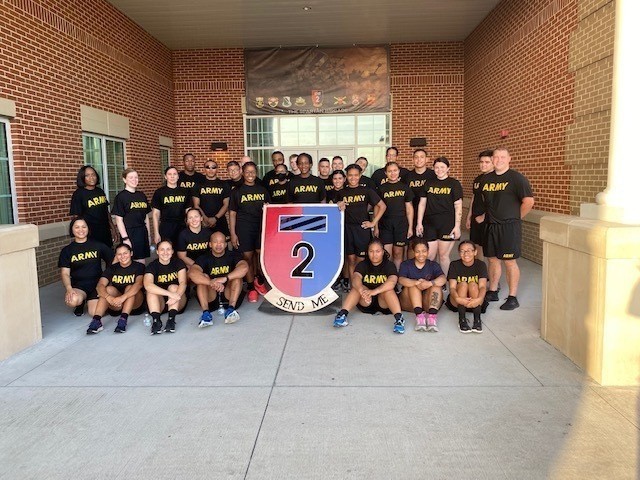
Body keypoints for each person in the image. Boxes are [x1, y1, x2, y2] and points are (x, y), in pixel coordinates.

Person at [476, 147, 534, 310]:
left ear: (509, 159)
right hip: (491, 227)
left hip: (509, 228)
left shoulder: (516, 178)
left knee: (509, 261)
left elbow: (528, 202)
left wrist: (514, 219)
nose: (499, 160)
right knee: (493, 259)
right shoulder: (486, 180)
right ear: (492, 159)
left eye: (502, 157)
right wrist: (484, 217)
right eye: (496, 157)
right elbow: (487, 203)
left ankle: (512, 297)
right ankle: (493, 290)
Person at [333, 238, 406, 334]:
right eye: (371, 251)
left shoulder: (389, 265)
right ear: (367, 252)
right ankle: (342, 315)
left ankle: (399, 319)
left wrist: (374, 292)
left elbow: (392, 282)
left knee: (388, 289)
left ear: (383, 252)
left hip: (384, 302)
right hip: (366, 301)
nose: (374, 254)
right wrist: (361, 290)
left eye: (377, 251)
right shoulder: (363, 264)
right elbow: (355, 278)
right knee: (357, 287)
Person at [334, 164, 386, 288]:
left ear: (360, 176)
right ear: (346, 176)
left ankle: (362, 286)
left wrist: (373, 223)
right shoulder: (341, 192)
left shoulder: (367, 191)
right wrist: (338, 205)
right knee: (350, 260)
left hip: (362, 230)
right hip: (347, 229)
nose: (353, 178)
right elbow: (334, 210)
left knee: (361, 260)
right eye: (350, 175)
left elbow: (382, 206)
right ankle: (354, 288)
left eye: (356, 175)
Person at [229, 161, 270, 302]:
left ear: (256, 173)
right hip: (244, 228)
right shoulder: (237, 191)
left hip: (260, 228)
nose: (250, 174)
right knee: (247, 258)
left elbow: (269, 210)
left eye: (253, 171)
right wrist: (233, 234)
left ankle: (259, 280)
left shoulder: (263, 190)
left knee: (260, 256)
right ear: (242, 173)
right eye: (247, 172)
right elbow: (232, 214)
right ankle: (252, 287)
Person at [189, 232, 249, 326]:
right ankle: (206, 314)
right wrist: (211, 282)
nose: (218, 245)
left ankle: (231, 310)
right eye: (215, 242)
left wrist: (225, 278)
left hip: (229, 294)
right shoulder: (204, 258)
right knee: (202, 278)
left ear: (225, 244)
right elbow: (192, 273)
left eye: (221, 242)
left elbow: (244, 267)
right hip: (211, 295)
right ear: (210, 244)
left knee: (237, 277)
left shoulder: (233, 255)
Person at [415, 157, 463, 276]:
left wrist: (457, 226)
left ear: (448, 168)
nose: (439, 169)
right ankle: (430, 281)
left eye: (442, 167)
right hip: (430, 223)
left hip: (447, 224)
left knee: (443, 255)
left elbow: (458, 206)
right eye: (436, 167)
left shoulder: (454, 184)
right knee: (430, 255)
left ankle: (445, 283)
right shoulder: (429, 183)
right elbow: (422, 204)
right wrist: (419, 223)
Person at [58, 218, 114, 317]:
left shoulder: (97, 245)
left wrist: (107, 278)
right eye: (77, 227)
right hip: (79, 285)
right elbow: (65, 273)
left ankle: (90, 300)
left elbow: (112, 260)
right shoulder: (67, 250)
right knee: (72, 300)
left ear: (88, 229)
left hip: (97, 285)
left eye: (84, 227)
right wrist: (69, 289)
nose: (81, 230)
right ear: (72, 229)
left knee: (94, 313)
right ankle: (80, 303)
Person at [85, 243, 145, 334]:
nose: (123, 256)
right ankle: (96, 321)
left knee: (130, 287)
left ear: (131, 253)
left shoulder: (139, 266)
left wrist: (123, 297)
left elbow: (138, 284)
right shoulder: (112, 268)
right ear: (116, 256)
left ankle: (123, 320)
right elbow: (100, 285)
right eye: (119, 254)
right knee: (108, 289)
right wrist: (108, 297)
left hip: (135, 304)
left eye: (125, 253)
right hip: (117, 304)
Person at [398, 238, 445, 332]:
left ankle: (432, 318)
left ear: (428, 251)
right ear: (413, 252)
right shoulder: (406, 264)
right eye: (417, 251)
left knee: (436, 285)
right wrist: (416, 282)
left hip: (428, 303)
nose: (421, 254)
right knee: (412, 285)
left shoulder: (433, 265)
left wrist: (429, 283)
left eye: (424, 251)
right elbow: (401, 280)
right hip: (410, 303)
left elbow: (443, 278)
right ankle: (420, 318)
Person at [144, 240, 188, 334]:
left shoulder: (178, 263)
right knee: (151, 291)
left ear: (172, 251)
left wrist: (176, 295)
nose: (165, 252)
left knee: (173, 287)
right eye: (162, 250)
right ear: (157, 252)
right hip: (160, 304)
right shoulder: (152, 266)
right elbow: (148, 285)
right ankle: (156, 321)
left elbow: (183, 283)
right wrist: (170, 294)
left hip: (177, 301)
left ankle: (171, 320)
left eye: (168, 249)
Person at [69, 165, 117, 248]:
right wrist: (81, 235)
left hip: (105, 232)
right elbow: (76, 217)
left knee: (110, 257)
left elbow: (106, 211)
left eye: (93, 174)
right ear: (82, 178)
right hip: (90, 234)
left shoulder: (100, 191)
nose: (91, 177)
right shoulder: (79, 194)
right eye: (87, 175)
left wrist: (113, 228)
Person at [378, 162, 414, 270]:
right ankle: (389, 278)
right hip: (385, 224)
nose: (392, 173)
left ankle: (397, 280)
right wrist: (375, 226)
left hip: (401, 224)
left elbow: (409, 208)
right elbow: (377, 208)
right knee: (387, 254)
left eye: (395, 170)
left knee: (398, 253)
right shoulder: (381, 188)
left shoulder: (405, 188)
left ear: (399, 171)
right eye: (389, 171)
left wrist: (410, 227)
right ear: (386, 173)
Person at [446, 241, 488, 333]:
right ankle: (462, 320)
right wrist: (457, 299)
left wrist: (480, 299)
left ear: (475, 252)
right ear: (459, 253)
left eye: (469, 251)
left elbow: (482, 287)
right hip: (458, 301)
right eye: (462, 251)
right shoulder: (454, 264)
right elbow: (452, 288)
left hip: (475, 301)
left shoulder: (481, 265)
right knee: (463, 284)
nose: (466, 254)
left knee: (473, 284)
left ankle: (477, 320)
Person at [111, 168, 151, 263]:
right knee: (127, 262)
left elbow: (146, 217)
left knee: (141, 262)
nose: (134, 180)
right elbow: (119, 220)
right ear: (124, 180)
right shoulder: (121, 197)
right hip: (129, 233)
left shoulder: (141, 195)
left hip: (142, 232)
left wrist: (148, 235)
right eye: (131, 178)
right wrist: (125, 238)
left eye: (136, 177)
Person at [151, 166, 191, 246]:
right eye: (169, 174)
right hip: (166, 227)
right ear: (165, 176)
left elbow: (188, 211)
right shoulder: (159, 192)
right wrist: (156, 232)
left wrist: (190, 229)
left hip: (181, 226)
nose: (172, 176)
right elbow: (155, 214)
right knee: (167, 251)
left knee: (181, 251)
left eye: (174, 174)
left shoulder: (185, 191)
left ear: (178, 176)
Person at [466, 150, 494, 261]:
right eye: (481, 162)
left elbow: (496, 202)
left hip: (488, 220)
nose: (483, 164)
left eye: (487, 162)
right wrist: (469, 216)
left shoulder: (495, 179)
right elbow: (474, 197)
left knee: (489, 251)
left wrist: (484, 216)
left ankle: (488, 276)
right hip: (475, 217)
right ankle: (480, 273)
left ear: (493, 162)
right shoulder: (478, 179)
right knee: (476, 246)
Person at [192, 159, 230, 238]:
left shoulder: (224, 185)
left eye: (213, 167)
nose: (211, 170)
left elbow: (226, 204)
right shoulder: (198, 185)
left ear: (217, 169)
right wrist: (205, 219)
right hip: (203, 222)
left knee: (222, 245)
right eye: (208, 167)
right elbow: (196, 205)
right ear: (204, 169)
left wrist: (215, 218)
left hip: (220, 221)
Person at [404, 149, 437, 237]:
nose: (419, 159)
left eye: (422, 157)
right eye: (416, 157)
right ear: (413, 160)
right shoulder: (407, 177)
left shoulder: (433, 175)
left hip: (430, 214)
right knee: (412, 244)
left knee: (430, 243)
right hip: (412, 214)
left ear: (427, 159)